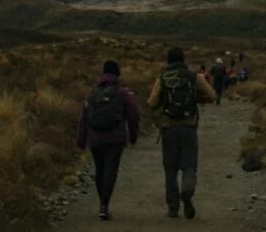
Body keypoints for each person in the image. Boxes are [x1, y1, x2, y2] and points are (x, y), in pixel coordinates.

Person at [146, 47, 216, 219]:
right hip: (188, 128)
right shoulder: (193, 77)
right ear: (183, 60)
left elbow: (152, 103)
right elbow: (212, 95)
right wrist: (196, 99)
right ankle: (187, 192)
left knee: (170, 169)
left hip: (168, 129)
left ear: (168, 60)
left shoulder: (162, 78)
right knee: (189, 165)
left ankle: (173, 208)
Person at [76, 60, 140, 221]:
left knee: (100, 170)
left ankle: (102, 203)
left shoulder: (91, 92)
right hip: (115, 139)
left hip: (96, 139)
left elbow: (83, 118)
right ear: (117, 74)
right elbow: (133, 115)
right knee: (111, 170)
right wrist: (133, 136)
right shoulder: (121, 92)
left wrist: (81, 141)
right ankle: (104, 204)